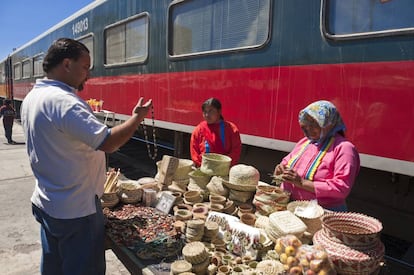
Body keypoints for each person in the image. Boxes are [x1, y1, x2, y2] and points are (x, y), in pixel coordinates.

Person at [20, 38, 152, 275]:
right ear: (67, 64)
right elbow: (108, 142)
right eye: (85, 67)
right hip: (75, 210)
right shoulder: (64, 102)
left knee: (54, 266)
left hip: (48, 200)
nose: (88, 75)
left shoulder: (33, 97)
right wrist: (136, 119)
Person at [273, 100, 360, 212]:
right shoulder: (305, 142)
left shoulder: (344, 148)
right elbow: (286, 162)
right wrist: (280, 169)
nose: (309, 129)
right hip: (291, 207)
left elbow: (341, 188)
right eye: (306, 125)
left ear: (328, 123)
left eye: (314, 124)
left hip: (320, 213)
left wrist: (302, 183)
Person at [190, 97, 242, 167]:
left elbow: (236, 151)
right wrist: (202, 165)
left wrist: (223, 165)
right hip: (204, 168)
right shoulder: (199, 129)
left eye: (211, 111)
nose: (207, 115)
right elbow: (194, 151)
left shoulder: (231, 129)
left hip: (224, 169)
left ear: (219, 111)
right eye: (205, 112)